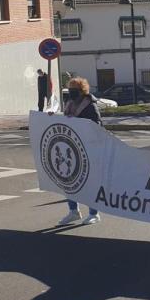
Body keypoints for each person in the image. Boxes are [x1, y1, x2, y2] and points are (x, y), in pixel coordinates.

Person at [59, 77, 102, 225]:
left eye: (74, 90)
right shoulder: (69, 104)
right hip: (72, 148)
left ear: (82, 91)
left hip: (88, 148)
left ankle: (94, 213)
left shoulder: (90, 106)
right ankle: (73, 211)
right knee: (69, 180)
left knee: (89, 182)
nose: (71, 93)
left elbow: (97, 126)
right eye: (69, 90)